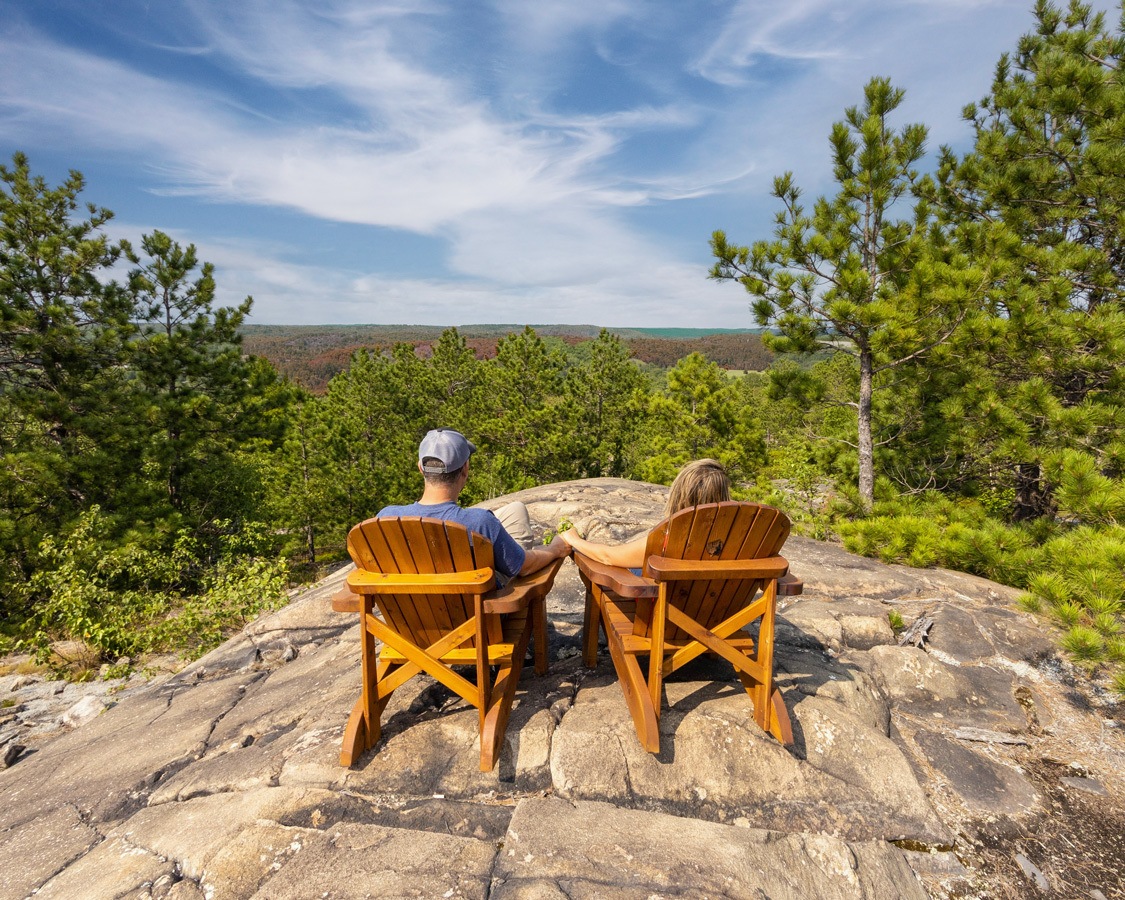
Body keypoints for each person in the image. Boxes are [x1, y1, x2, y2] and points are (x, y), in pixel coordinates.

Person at [378, 428, 570, 582]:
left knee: (515, 509)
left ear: (420, 468)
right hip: (472, 618)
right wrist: (555, 549)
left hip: (408, 620)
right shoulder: (479, 522)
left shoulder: (386, 517)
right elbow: (523, 567)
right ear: (465, 470)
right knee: (509, 555)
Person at [558, 458, 731, 569]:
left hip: (668, 617)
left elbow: (608, 557)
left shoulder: (668, 539)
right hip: (725, 618)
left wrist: (574, 539)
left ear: (679, 496)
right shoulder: (743, 538)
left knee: (623, 571)